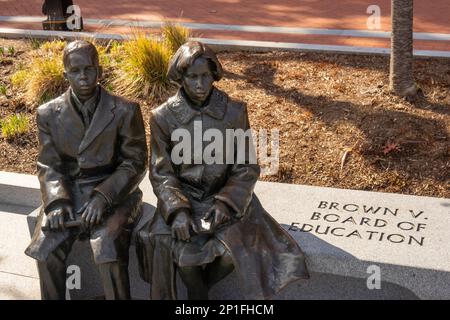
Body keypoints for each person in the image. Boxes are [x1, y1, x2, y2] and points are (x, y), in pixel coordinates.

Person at [136, 41, 309, 300]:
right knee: (183, 256)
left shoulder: (234, 112)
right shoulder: (163, 117)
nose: (200, 84)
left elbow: (246, 166)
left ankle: (198, 297)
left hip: (227, 199)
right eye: (192, 77)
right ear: (180, 77)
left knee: (232, 251)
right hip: (186, 200)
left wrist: (227, 204)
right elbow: (162, 173)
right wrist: (178, 210)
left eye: (205, 76)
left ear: (214, 74)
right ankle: (199, 297)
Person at [25, 40, 148, 300]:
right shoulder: (48, 113)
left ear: (99, 71)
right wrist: (57, 201)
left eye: (89, 69)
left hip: (116, 194)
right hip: (69, 194)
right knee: (45, 250)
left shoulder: (125, 110)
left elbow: (135, 162)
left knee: (107, 247)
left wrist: (103, 196)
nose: (83, 77)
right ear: (65, 74)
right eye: (76, 71)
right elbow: (49, 164)